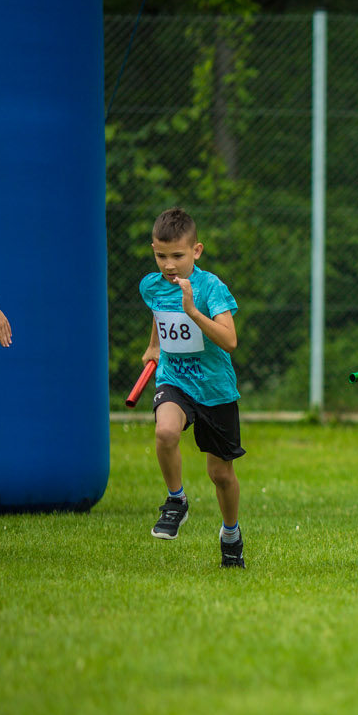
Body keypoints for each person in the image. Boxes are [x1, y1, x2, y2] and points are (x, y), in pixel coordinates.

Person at [138, 208, 246, 568]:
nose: (169, 265)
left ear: (196, 251)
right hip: (174, 379)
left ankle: (230, 534)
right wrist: (154, 345)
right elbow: (159, 312)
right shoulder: (151, 285)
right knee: (165, 431)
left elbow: (230, 341)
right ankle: (176, 500)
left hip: (215, 389)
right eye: (161, 256)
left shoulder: (211, 288)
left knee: (221, 475)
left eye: (178, 256)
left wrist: (193, 311)